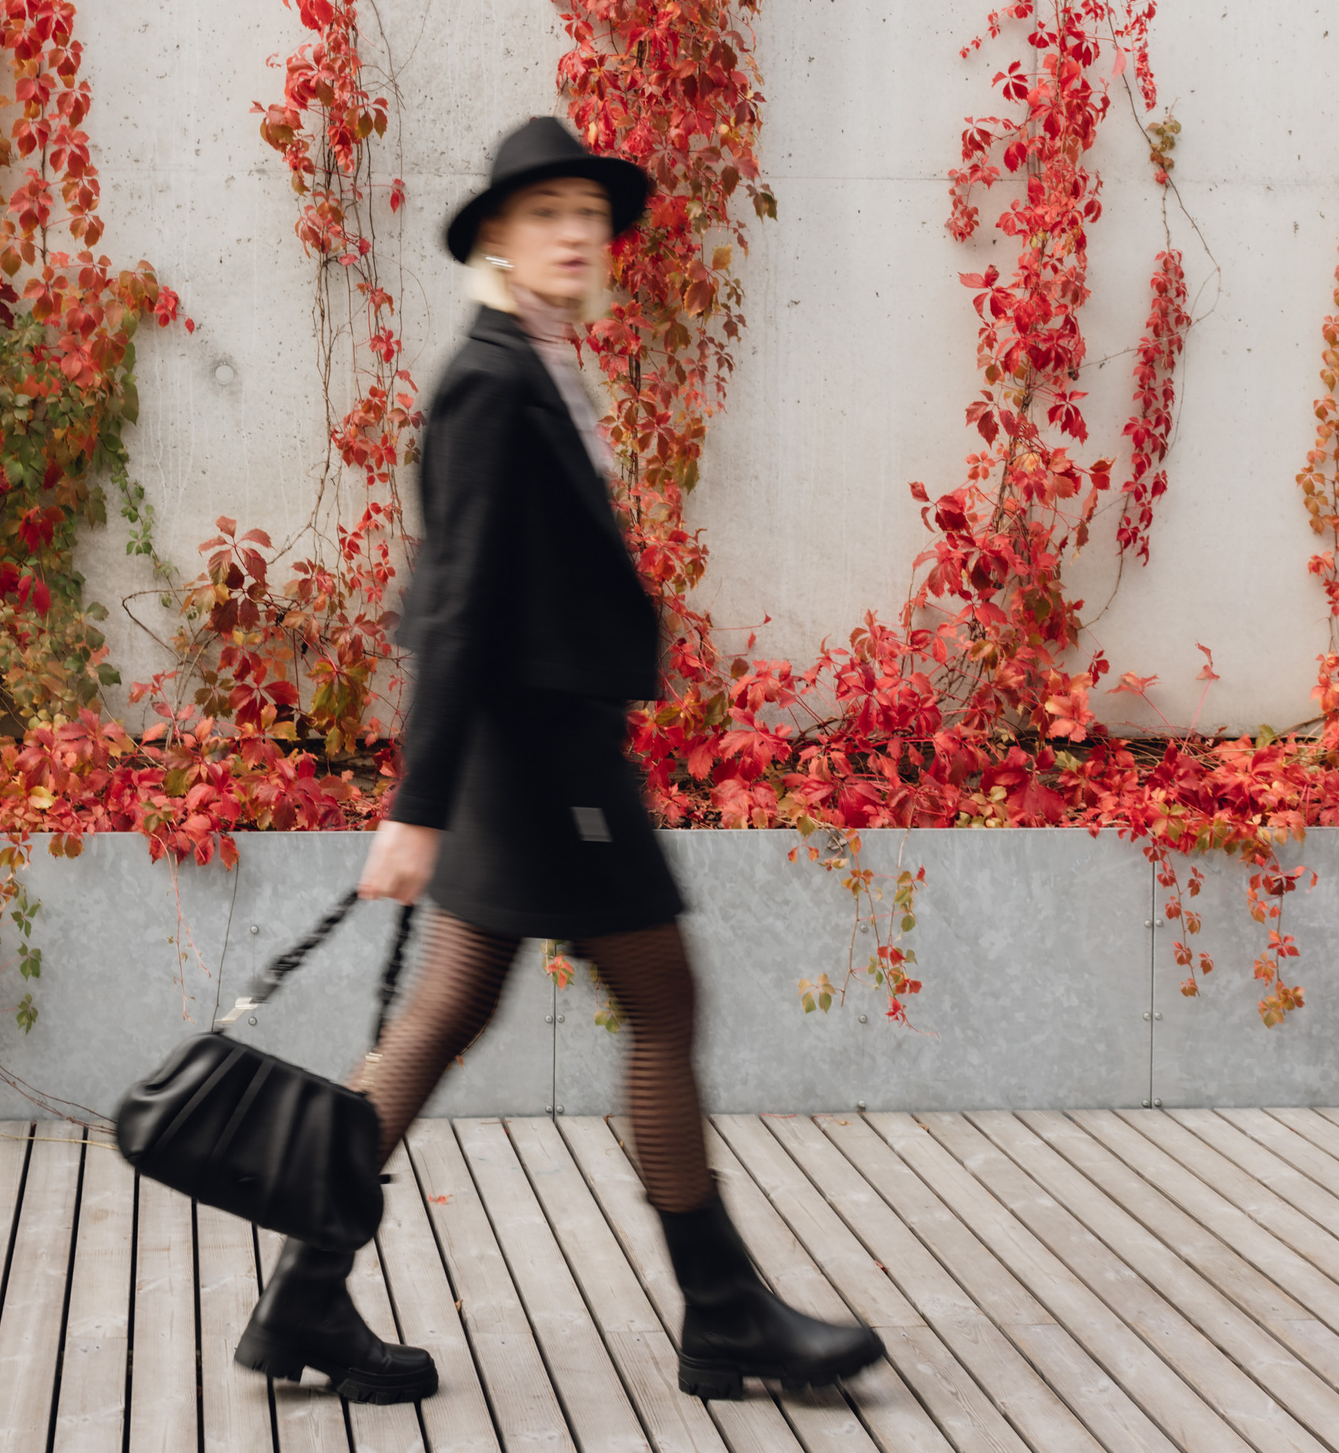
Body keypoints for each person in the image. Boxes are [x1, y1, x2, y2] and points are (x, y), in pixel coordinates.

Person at [233, 116, 887, 1405]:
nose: (578, 231)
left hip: (525, 756)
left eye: (589, 210)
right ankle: (723, 1314)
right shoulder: (490, 380)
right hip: (544, 766)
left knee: (442, 1017)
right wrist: (415, 810)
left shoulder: (538, 363)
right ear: (493, 240)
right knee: (664, 1004)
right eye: (546, 213)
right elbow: (456, 599)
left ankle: (302, 1300)